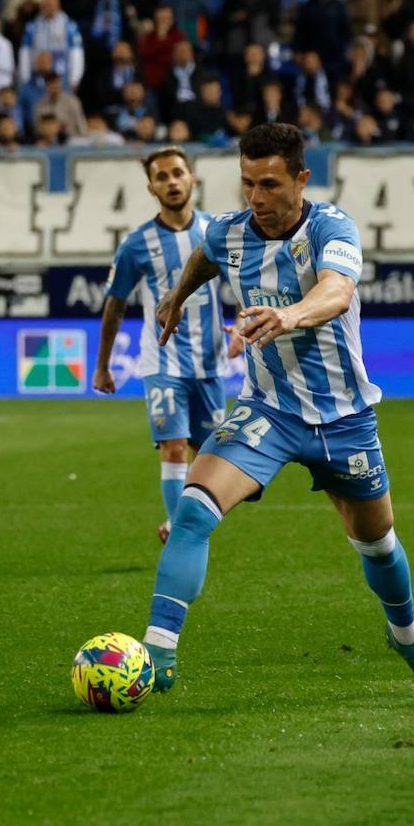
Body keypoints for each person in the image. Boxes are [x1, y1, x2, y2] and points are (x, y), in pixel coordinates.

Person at [138, 123, 414, 698]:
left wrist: (288, 315)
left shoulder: (332, 227)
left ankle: (408, 638)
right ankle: (157, 651)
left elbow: (338, 290)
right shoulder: (230, 233)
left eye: (269, 184)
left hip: (344, 419)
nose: (256, 198)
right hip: (268, 414)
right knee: (192, 511)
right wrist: (177, 295)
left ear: (300, 179)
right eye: (246, 184)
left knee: (378, 544)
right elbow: (205, 257)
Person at [94, 147, 241, 545]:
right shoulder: (136, 244)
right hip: (162, 359)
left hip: (209, 362)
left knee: (208, 455)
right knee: (174, 448)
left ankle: (188, 520)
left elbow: (244, 281)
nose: (172, 182)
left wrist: (243, 322)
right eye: (162, 177)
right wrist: (102, 365)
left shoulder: (215, 232)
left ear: (192, 178)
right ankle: (180, 530)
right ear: (151, 187)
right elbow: (115, 302)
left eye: (178, 173)